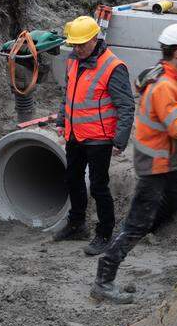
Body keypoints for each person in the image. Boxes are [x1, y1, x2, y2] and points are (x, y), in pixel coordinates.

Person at [91, 23, 177, 304]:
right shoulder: (164, 87)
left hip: (166, 165)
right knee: (138, 225)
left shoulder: (163, 78)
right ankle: (103, 280)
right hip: (155, 169)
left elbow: (163, 128)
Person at [52, 15, 135, 256]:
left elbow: (126, 106)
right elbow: (68, 94)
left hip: (99, 138)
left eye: (81, 45)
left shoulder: (113, 67)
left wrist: (120, 139)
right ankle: (77, 224)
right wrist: (61, 120)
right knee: (73, 179)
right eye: (74, 45)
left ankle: (105, 233)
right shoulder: (73, 61)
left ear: (95, 39)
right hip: (75, 134)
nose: (77, 49)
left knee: (99, 186)